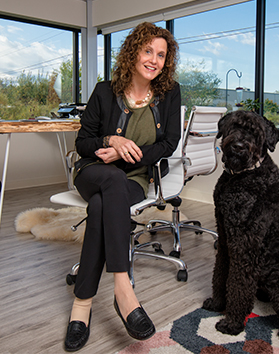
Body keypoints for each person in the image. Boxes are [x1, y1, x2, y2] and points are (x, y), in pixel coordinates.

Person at [63, 22, 181, 351]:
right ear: (133, 52)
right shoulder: (104, 91)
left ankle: (81, 305)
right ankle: (123, 291)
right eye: (148, 51)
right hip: (93, 171)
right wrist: (110, 139)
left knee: (102, 205)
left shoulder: (170, 93)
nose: (154, 60)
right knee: (110, 179)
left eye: (161, 55)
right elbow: (83, 142)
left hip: (134, 178)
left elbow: (169, 143)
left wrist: (129, 152)